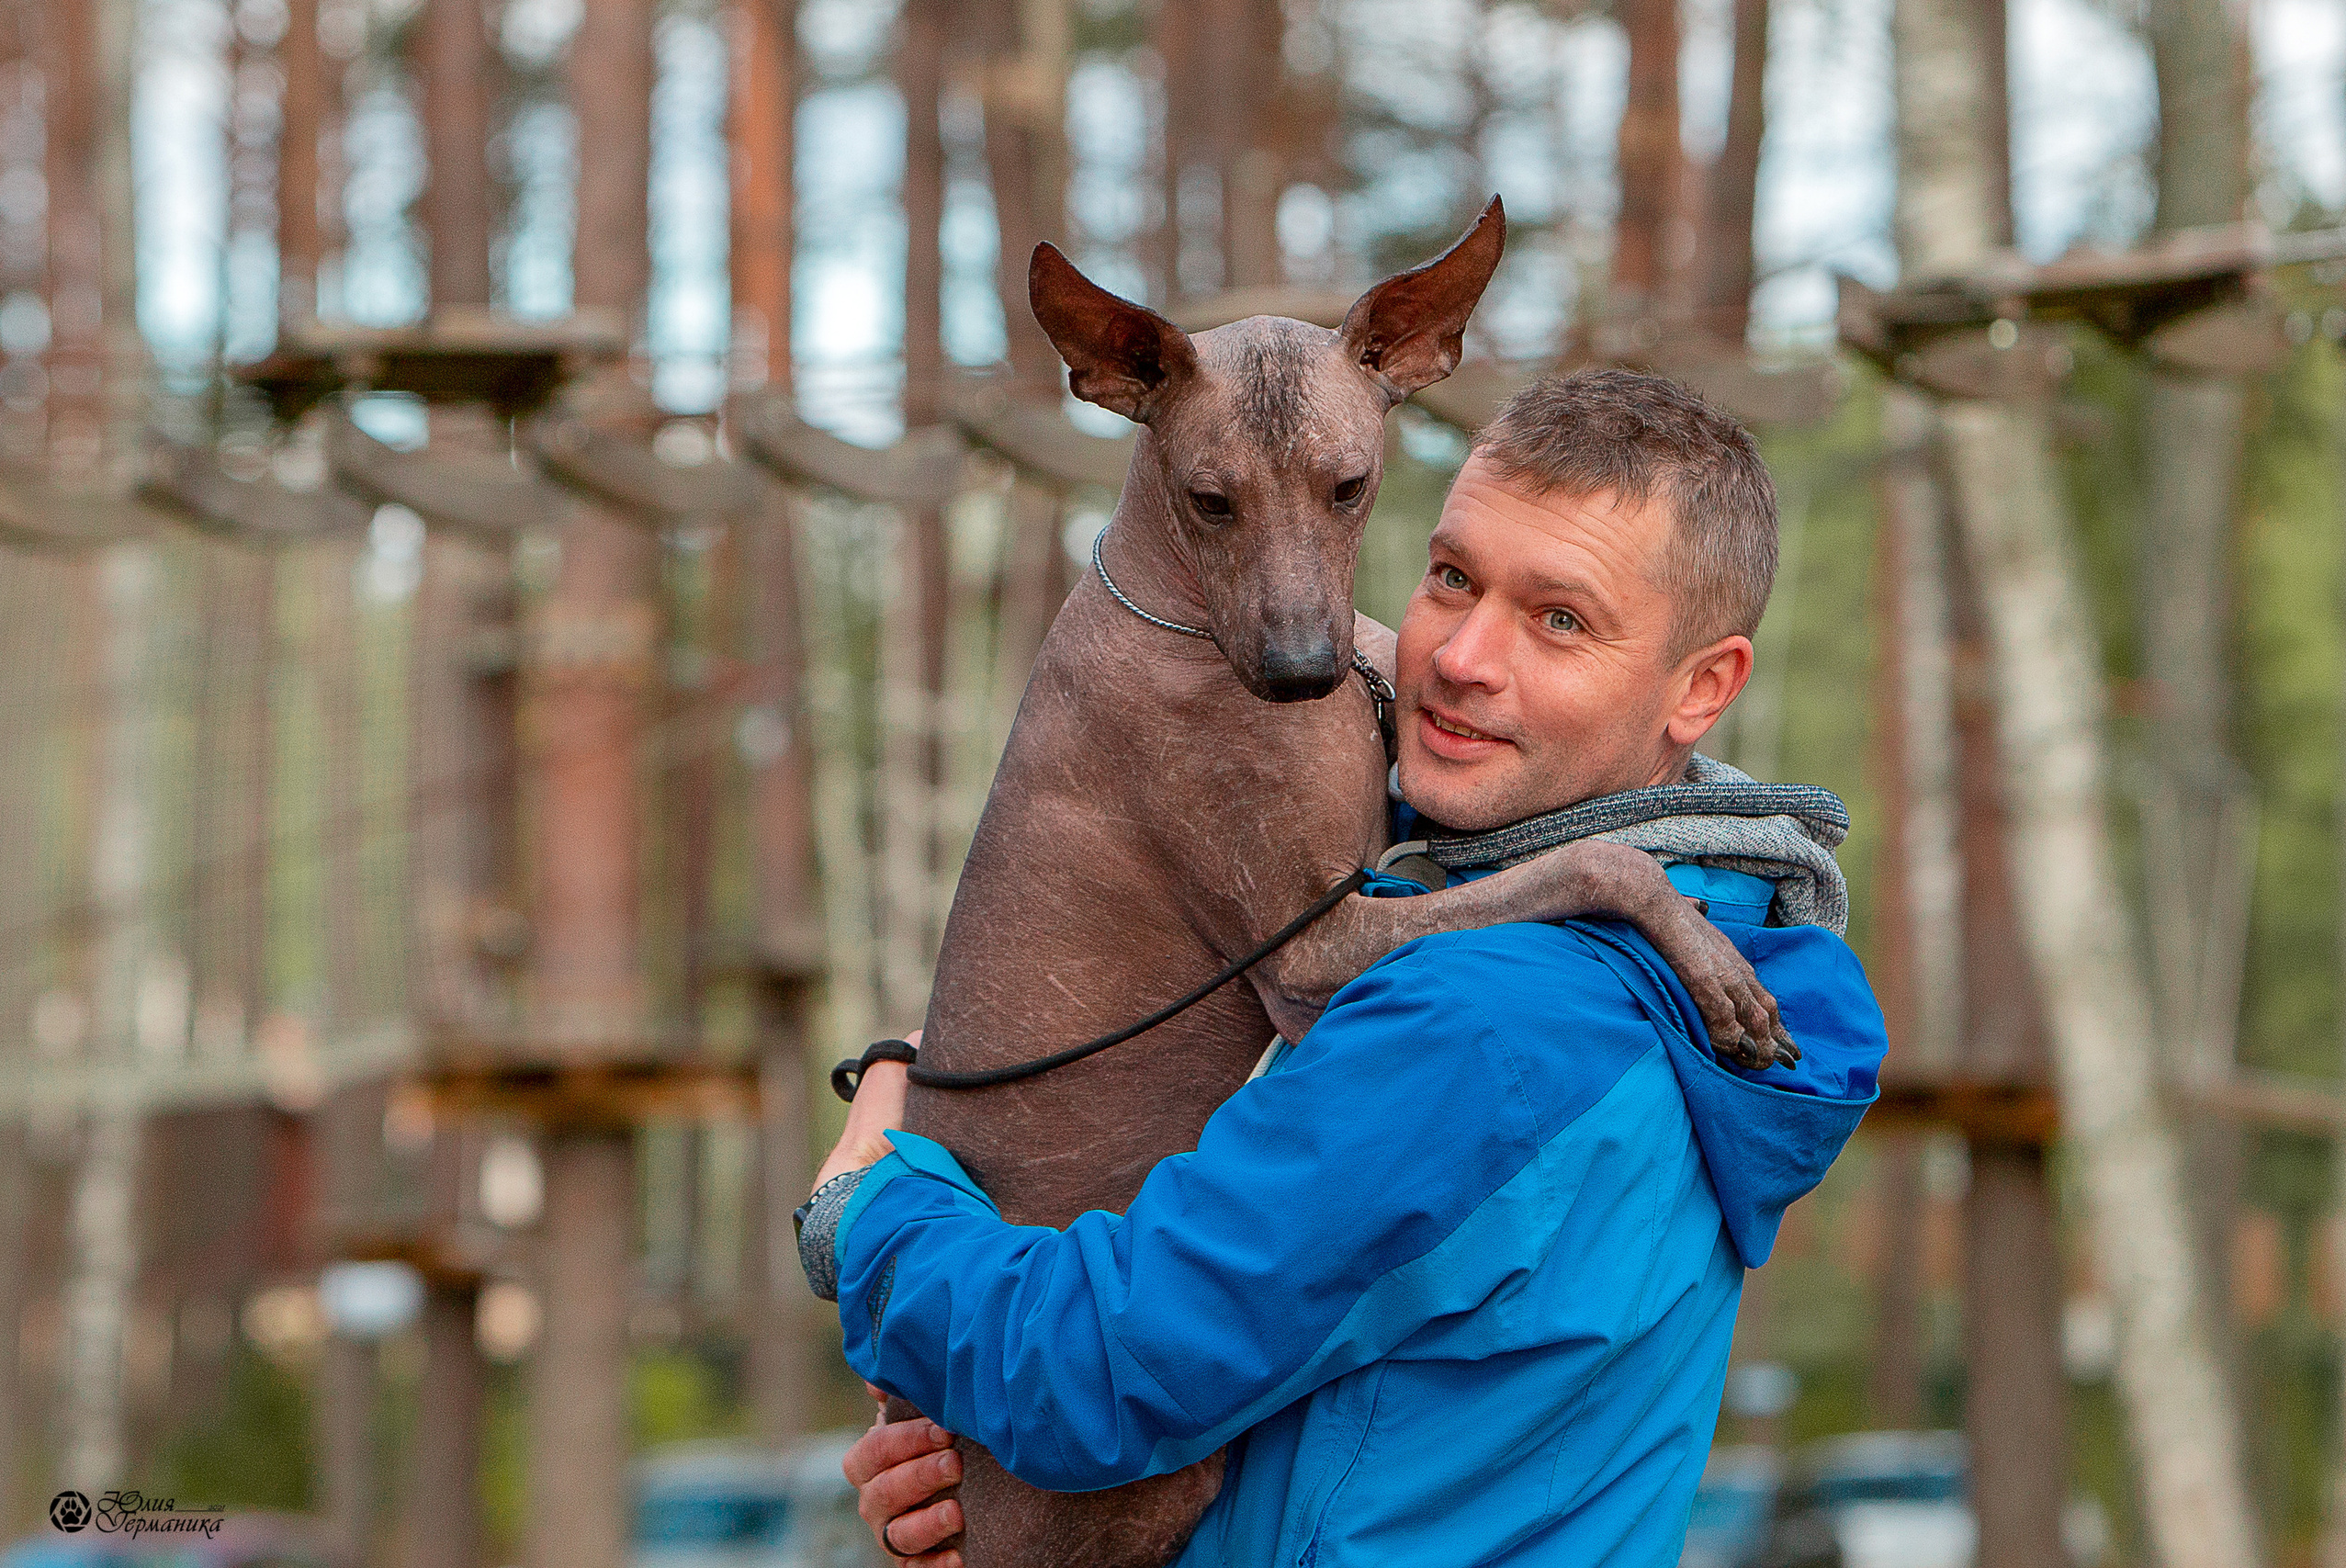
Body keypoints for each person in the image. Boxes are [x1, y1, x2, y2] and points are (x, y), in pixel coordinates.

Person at [796, 369, 1888, 1568]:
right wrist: (993, 1499)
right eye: (1451, 578)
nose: (1463, 657)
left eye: (1559, 620)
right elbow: (1369, 1421)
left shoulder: (1487, 1025)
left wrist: (869, 1219)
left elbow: (1098, 1372)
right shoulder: (1683, 970)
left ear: (1704, 687)